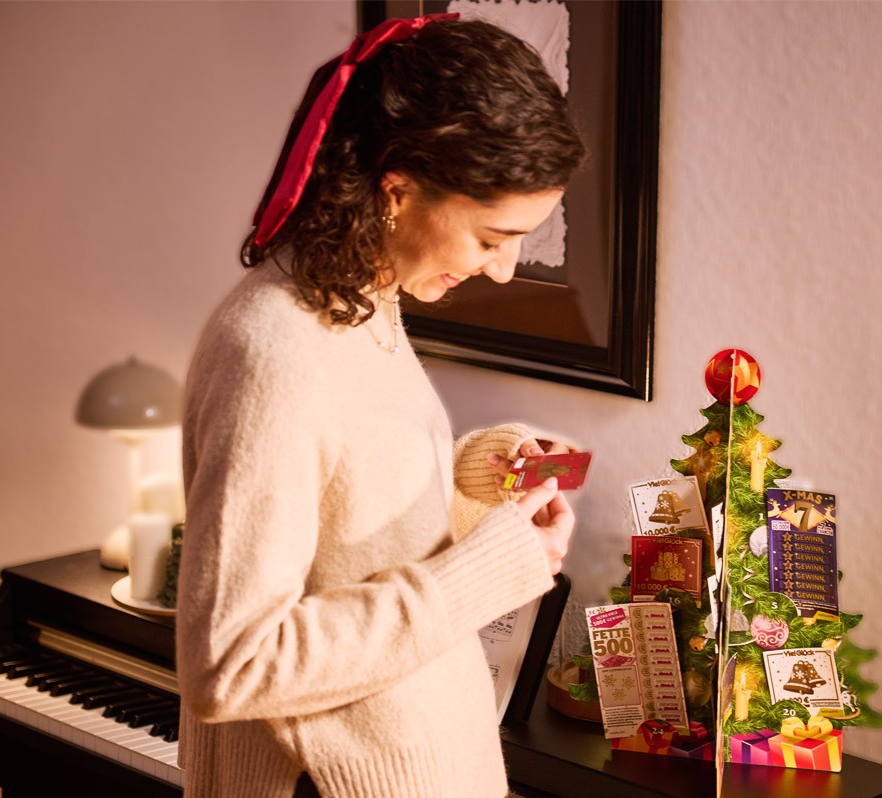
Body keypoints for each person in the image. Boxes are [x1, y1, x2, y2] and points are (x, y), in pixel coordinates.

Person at [176, 14, 586, 798]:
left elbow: (350, 530)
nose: (504, 270)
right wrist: (485, 575)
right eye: (491, 238)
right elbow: (232, 664)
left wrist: (484, 475)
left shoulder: (359, 302)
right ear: (397, 191)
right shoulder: (273, 350)